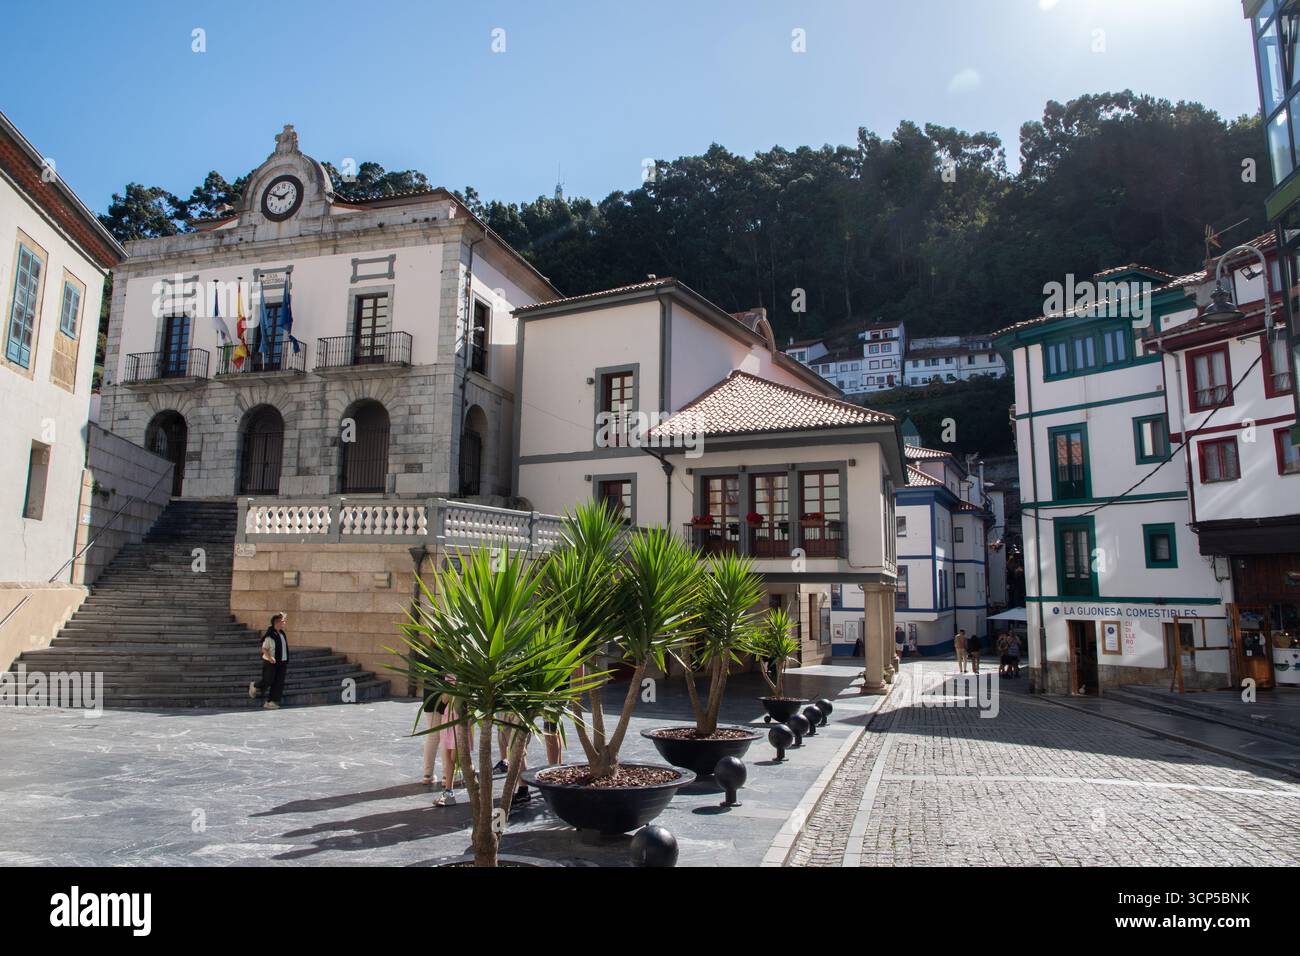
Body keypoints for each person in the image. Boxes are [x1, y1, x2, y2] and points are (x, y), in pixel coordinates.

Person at [434, 678, 473, 807]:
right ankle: (448, 792)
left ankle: (475, 789)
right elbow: (444, 700)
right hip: (448, 718)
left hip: (461, 719)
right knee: (448, 757)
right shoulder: (449, 675)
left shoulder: (468, 676)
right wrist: (449, 687)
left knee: (459, 758)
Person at [249, 613, 288, 709]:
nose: (284, 623)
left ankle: (271, 702)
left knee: (278, 683)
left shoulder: (282, 633)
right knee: (268, 680)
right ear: (277, 623)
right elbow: (264, 649)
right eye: (283, 621)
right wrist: (270, 657)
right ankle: (254, 685)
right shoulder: (270, 635)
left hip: (281, 662)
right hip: (270, 662)